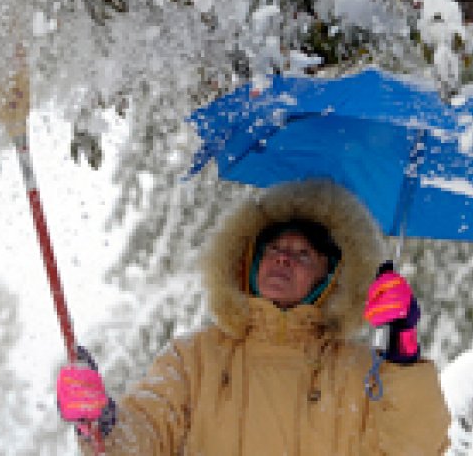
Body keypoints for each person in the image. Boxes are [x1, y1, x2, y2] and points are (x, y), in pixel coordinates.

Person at [57, 180, 450, 455]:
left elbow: (415, 447)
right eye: (274, 248)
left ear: (330, 280)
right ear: (248, 260)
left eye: (302, 255)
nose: (282, 258)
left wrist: (402, 355)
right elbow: (141, 439)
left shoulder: (362, 374)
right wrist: (104, 422)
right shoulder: (196, 359)